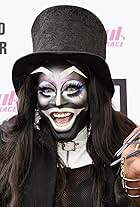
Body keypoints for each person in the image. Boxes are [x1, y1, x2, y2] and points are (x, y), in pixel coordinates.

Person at [0, 5, 140, 207]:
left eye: (72, 88)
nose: (57, 102)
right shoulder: (8, 145)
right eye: (46, 90)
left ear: (93, 92)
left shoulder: (124, 142)